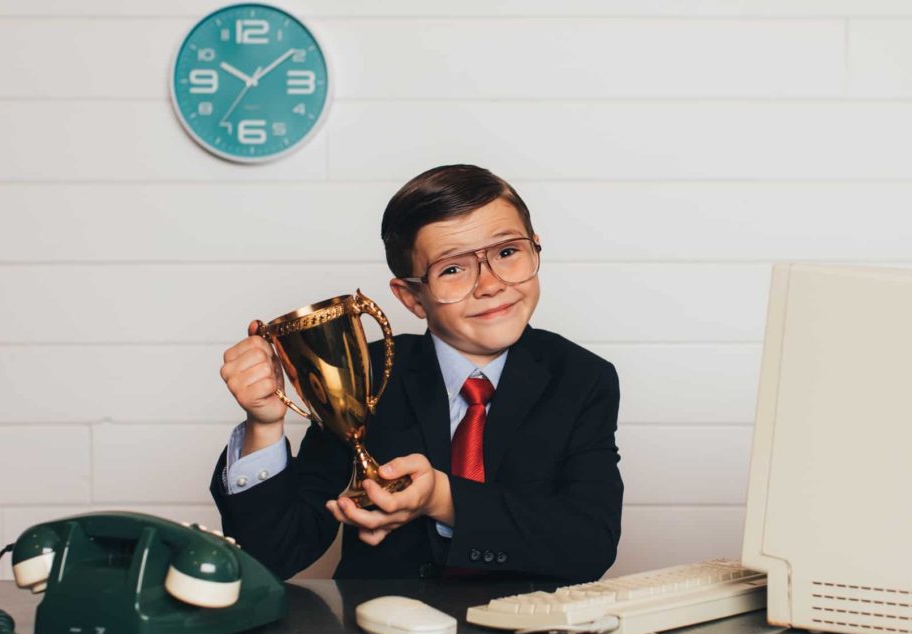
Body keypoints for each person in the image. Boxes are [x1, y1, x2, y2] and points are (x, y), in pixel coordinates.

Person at [210, 164, 623, 582]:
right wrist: (263, 425)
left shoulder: (583, 378)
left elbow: (590, 543)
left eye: (506, 252)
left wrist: (444, 499)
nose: (490, 284)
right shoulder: (363, 375)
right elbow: (273, 556)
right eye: (452, 269)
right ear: (412, 297)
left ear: (535, 248)